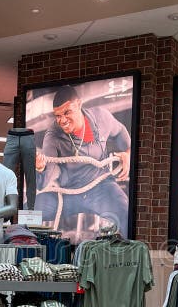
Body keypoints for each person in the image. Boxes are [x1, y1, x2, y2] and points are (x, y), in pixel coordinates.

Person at [34, 86, 131, 237]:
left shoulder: (101, 117)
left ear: (79, 104)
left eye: (67, 112)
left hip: (101, 187)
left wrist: (127, 153)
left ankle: (130, 256)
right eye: (58, 116)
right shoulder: (52, 137)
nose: (62, 121)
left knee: (127, 215)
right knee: (27, 212)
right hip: (68, 193)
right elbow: (44, 181)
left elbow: (120, 131)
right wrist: (40, 169)